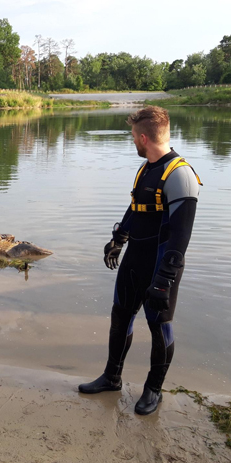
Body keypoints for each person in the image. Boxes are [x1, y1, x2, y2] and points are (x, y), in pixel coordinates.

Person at [79, 106, 201, 415]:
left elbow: (180, 236)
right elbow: (137, 208)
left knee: (159, 326)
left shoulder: (180, 175)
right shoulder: (147, 167)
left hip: (161, 265)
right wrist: (118, 239)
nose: (132, 140)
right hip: (135, 259)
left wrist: (164, 279)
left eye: (133, 136)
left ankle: (153, 390)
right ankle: (111, 377)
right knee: (121, 317)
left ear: (144, 137)